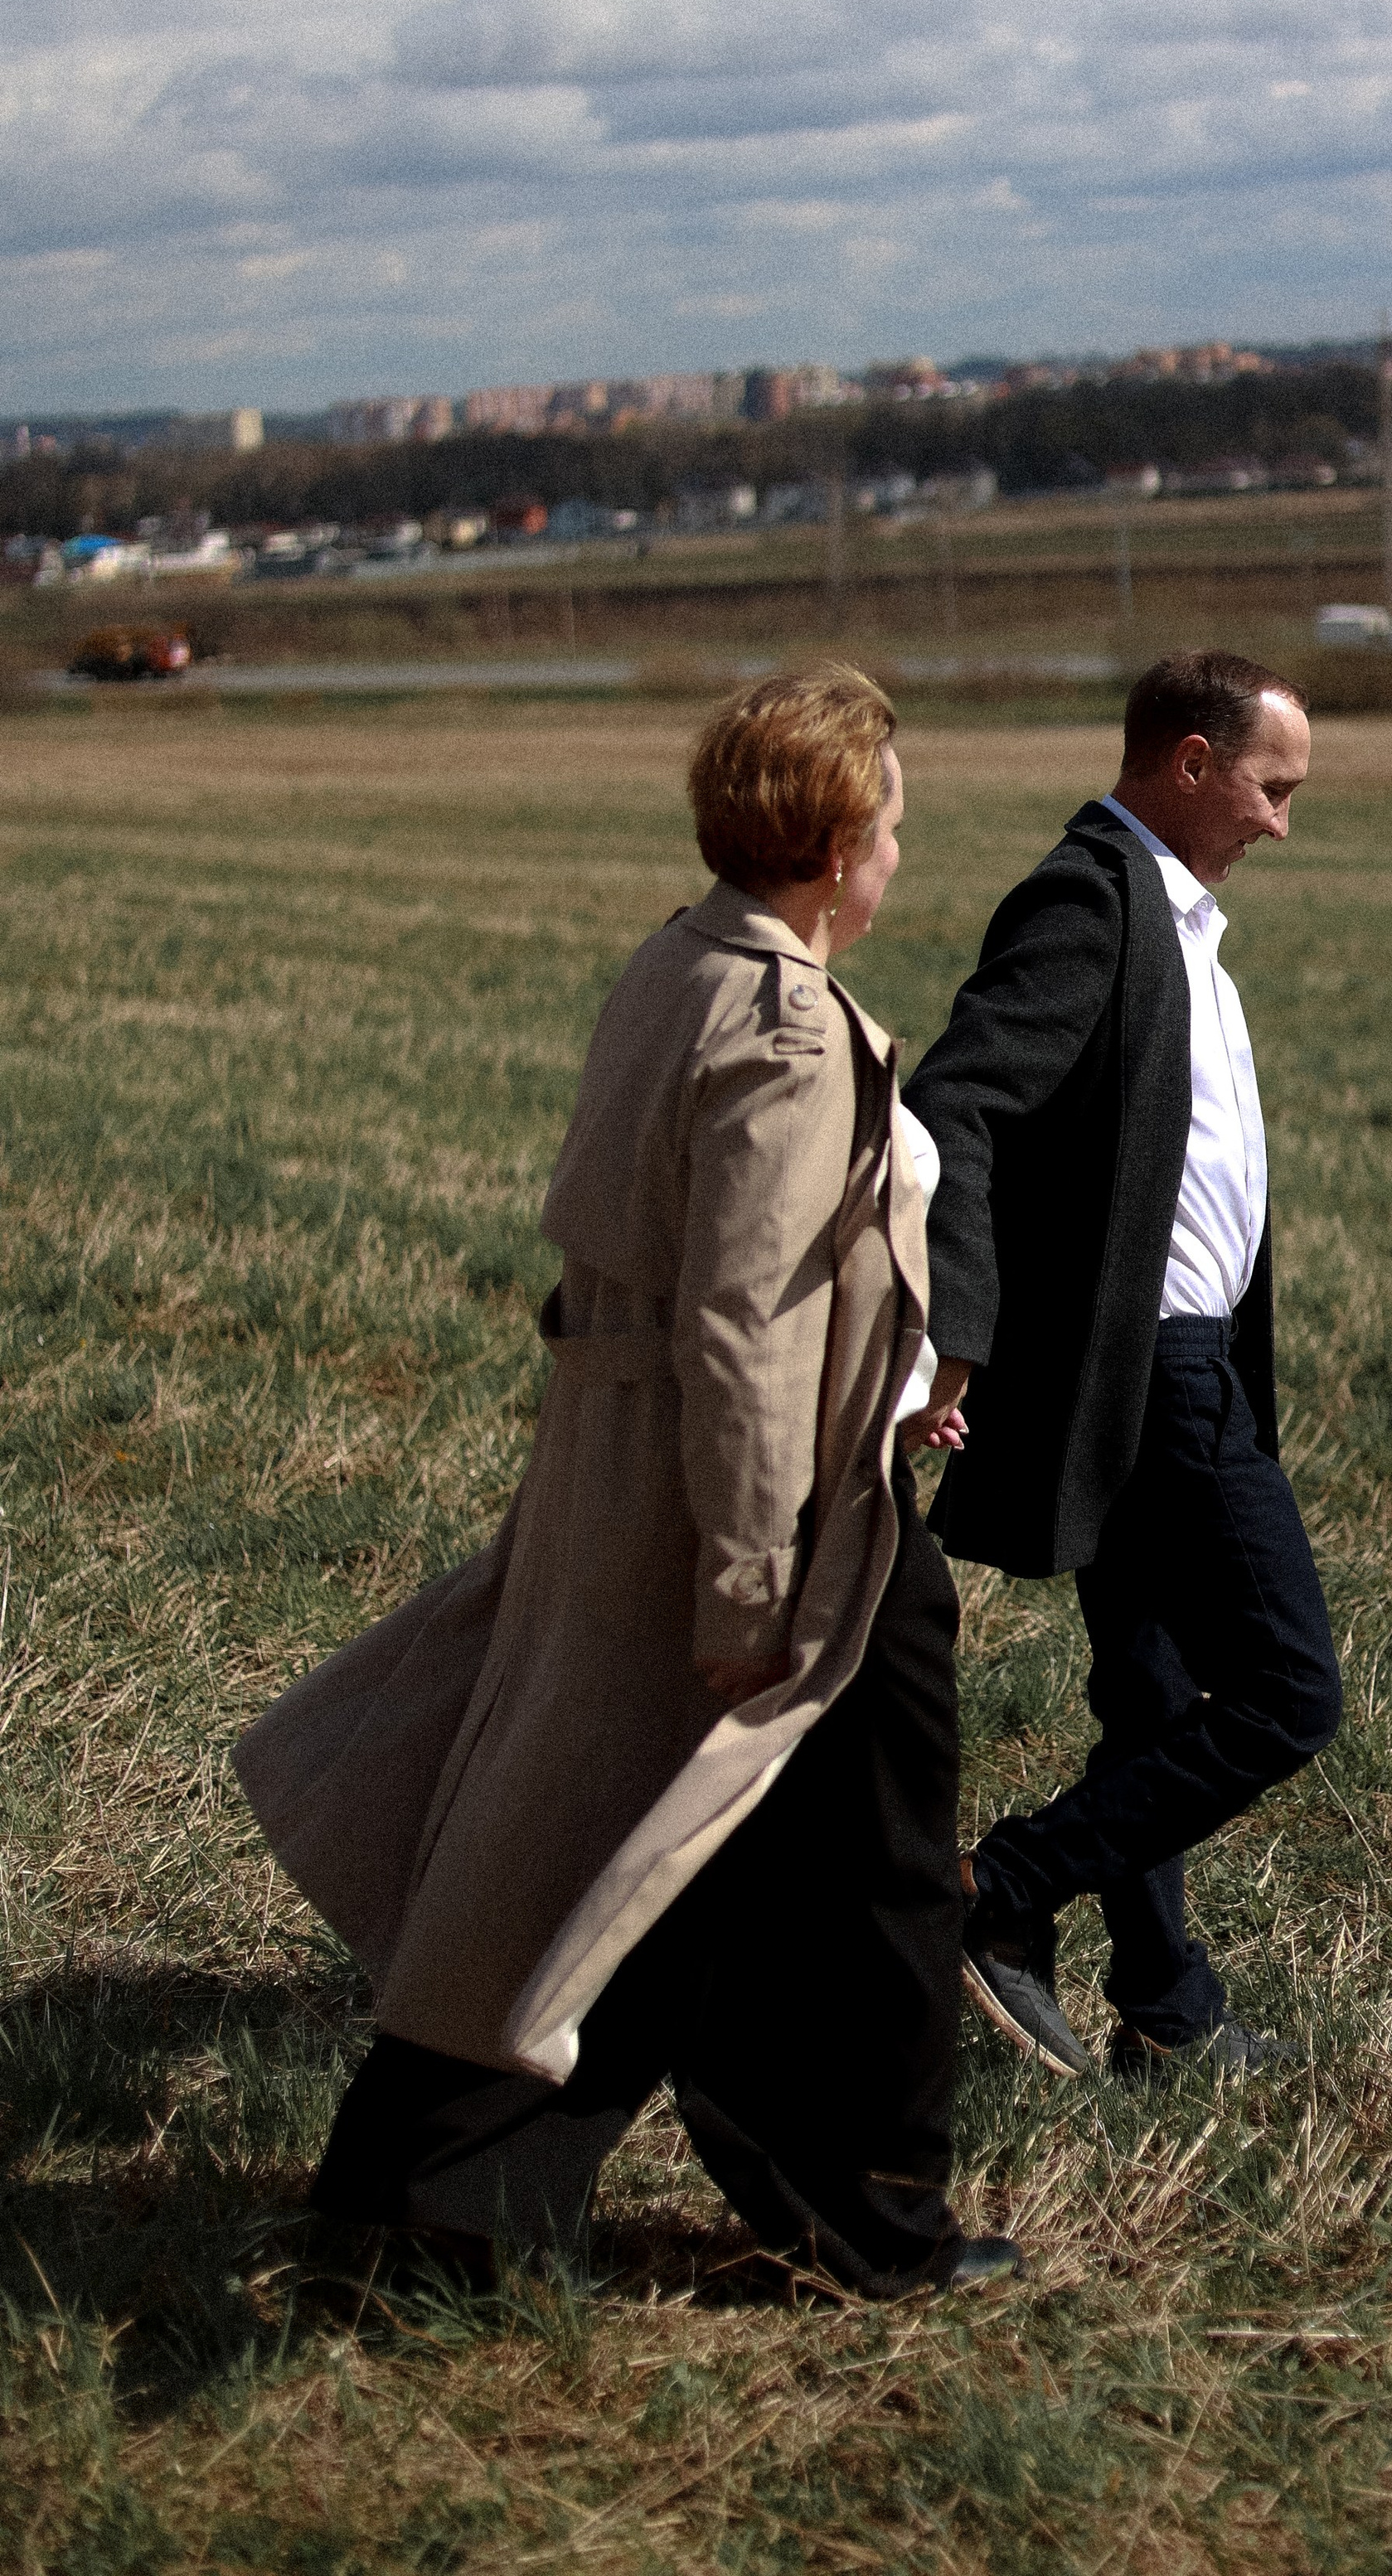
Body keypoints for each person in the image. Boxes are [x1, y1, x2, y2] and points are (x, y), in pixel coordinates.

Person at [234, 666, 1014, 2298]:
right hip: (773, 1525)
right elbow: (742, 1326)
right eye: (891, 831)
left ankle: (424, 2207)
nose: (898, 858)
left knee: (638, 1856)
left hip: (659, 1477)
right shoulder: (786, 1029)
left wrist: (882, 1390)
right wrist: (750, 1583)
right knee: (804, 1874)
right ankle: (852, 2223)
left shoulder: (677, 962)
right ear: (835, 849)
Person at [904, 647, 1341, 2080]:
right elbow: (958, 1101)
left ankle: (1167, 2010)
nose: (1283, 822)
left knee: (1152, 1696)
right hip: (1149, 1373)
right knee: (1287, 1693)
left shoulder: (1177, 916)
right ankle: (999, 1893)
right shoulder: (1091, 901)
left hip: (1187, 1360)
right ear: (1194, 763)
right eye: (1272, 788)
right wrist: (958, 1329)